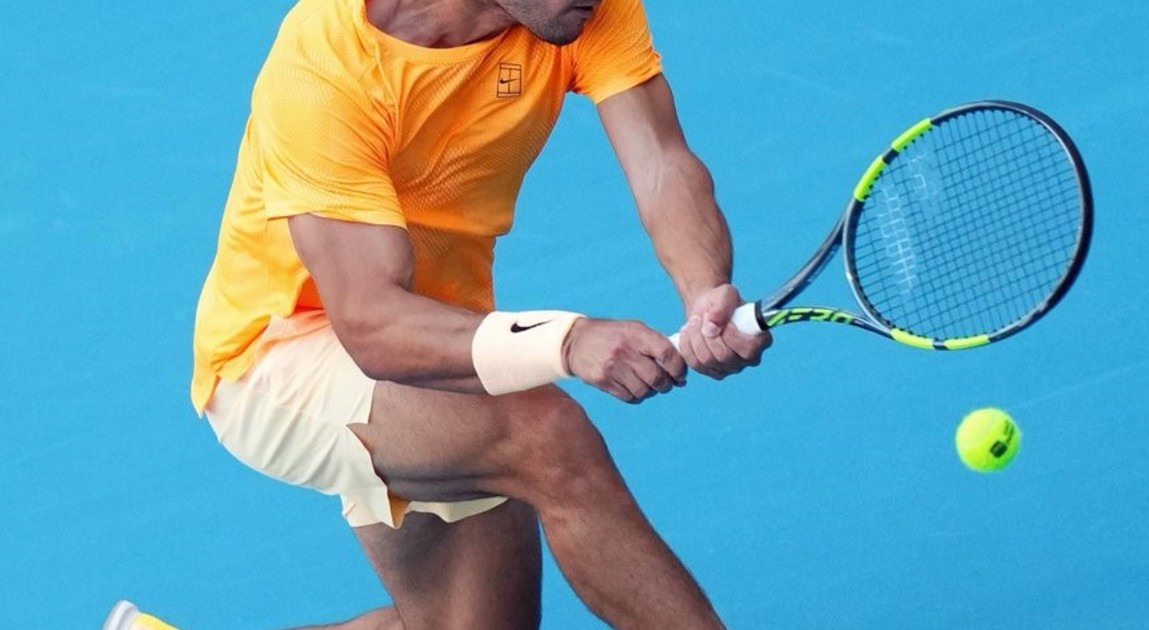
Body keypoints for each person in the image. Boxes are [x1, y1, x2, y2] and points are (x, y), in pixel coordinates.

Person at [108, 0, 770, 627]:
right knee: (548, 437)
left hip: (440, 342)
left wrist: (703, 290)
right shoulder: (323, 70)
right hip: (278, 357)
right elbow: (371, 324)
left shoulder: (579, 9)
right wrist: (566, 342)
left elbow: (661, 161)